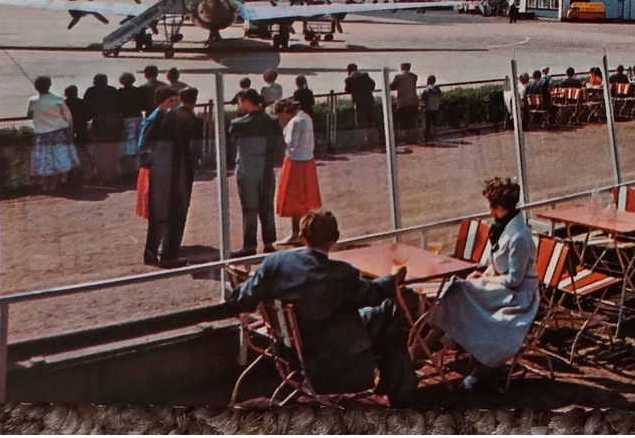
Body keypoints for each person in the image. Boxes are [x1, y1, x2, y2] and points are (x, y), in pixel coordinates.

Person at [227, 209, 416, 404]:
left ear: (301, 237)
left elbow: (243, 299)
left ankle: (392, 381)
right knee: (389, 314)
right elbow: (373, 294)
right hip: (332, 356)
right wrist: (393, 277)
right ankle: (402, 395)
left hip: (289, 349)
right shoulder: (341, 274)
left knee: (384, 322)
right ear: (334, 238)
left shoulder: (274, 264)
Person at [426, 177, 540, 392]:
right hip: (500, 289)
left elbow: (514, 280)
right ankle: (424, 347)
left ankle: (468, 373)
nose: (488, 209)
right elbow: (495, 265)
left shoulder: (519, 238)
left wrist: (483, 280)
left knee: (459, 291)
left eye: (490, 205)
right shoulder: (500, 228)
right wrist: (482, 274)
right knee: (458, 289)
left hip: (518, 298)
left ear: (497, 207)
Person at [137, 87, 202, 268]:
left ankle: (152, 252)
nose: (174, 106)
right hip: (171, 172)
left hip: (160, 171)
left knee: (159, 212)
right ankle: (168, 255)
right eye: (170, 102)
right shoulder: (173, 119)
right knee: (175, 210)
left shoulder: (161, 118)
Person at [231, 90, 286, 256]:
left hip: (247, 169)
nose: (239, 106)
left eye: (240, 102)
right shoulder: (272, 121)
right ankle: (269, 242)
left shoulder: (238, 123)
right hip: (266, 169)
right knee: (267, 206)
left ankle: (249, 246)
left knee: (249, 209)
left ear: (247, 101)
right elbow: (279, 145)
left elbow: (232, 143)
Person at [275, 97, 321, 246]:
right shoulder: (306, 117)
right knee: (306, 200)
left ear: (285, 111)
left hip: (296, 163)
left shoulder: (294, 121)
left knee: (293, 200)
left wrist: (283, 132)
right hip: (308, 161)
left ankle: (295, 234)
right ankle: (305, 232)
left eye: (280, 114)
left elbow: (291, 144)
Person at [27, 76, 79, 193]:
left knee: (45, 160)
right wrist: (70, 130)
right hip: (59, 131)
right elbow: (68, 116)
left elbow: (29, 115)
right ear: (49, 85)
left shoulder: (33, 101)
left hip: (42, 133)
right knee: (59, 158)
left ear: (36, 87)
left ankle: (46, 185)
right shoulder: (58, 99)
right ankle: (56, 183)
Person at [83, 73, 124, 185]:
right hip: (114, 121)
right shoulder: (113, 90)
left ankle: (102, 175)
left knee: (101, 151)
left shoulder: (91, 91)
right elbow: (120, 106)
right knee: (113, 149)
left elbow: (87, 108)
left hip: (100, 122)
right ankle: (113, 174)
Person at [117, 72, 143, 178]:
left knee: (129, 145)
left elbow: (118, 106)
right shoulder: (138, 91)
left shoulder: (121, 92)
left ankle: (129, 170)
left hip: (127, 118)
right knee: (139, 142)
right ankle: (137, 168)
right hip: (138, 117)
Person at [62, 84, 91, 183]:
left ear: (66, 94)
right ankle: (80, 176)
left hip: (68, 133)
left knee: (68, 155)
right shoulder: (83, 103)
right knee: (82, 154)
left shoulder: (63, 104)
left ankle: (69, 177)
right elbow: (88, 117)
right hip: (82, 131)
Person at [344, 64, 377, 144]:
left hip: (359, 103)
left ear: (349, 71)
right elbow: (373, 85)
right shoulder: (366, 76)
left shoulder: (349, 80)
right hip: (369, 101)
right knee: (370, 121)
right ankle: (372, 141)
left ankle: (362, 142)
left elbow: (347, 90)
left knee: (361, 123)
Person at [390, 63, 420, 139]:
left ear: (401, 68)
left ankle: (406, 138)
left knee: (404, 121)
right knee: (412, 121)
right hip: (414, 101)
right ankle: (413, 137)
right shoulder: (414, 76)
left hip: (403, 102)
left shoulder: (398, 77)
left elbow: (392, 86)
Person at [421, 75, 444, 142]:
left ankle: (427, 138)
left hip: (428, 109)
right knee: (435, 123)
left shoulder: (426, 90)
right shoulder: (438, 90)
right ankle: (436, 136)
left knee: (427, 124)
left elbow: (424, 100)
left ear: (428, 81)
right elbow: (440, 98)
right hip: (436, 108)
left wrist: (422, 107)